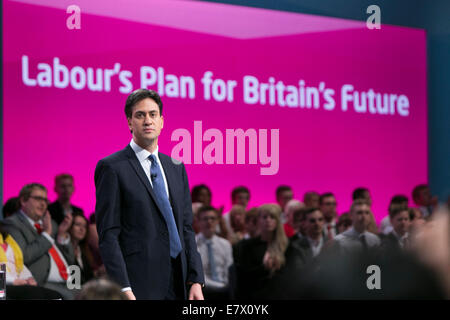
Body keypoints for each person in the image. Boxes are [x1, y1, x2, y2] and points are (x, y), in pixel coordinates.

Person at [94, 89, 204, 300]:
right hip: (139, 283)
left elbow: (186, 228)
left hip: (179, 280)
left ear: (162, 121)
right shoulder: (113, 167)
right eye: (140, 115)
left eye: (153, 114)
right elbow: (109, 235)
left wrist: (196, 278)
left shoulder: (176, 166)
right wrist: (123, 288)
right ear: (129, 122)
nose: (147, 120)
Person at [2, 183, 76, 299]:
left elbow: (71, 259)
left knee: (99, 292)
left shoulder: (52, 224)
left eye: (45, 200)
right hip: (41, 282)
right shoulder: (12, 223)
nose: (43, 204)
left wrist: (62, 235)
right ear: (23, 201)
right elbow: (23, 256)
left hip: (71, 280)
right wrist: (46, 235)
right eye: (38, 198)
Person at [233, 204, 289, 299]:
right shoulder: (247, 246)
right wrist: (264, 268)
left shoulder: (287, 245)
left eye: (272, 217)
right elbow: (243, 276)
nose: (268, 220)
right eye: (264, 217)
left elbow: (292, 275)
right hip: (256, 293)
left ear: (278, 221)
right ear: (258, 221)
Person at [0, 222, 63, 300]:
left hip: (17, 282)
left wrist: (29, 278)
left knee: (56, 296)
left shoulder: (8, 240)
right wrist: (13, 281)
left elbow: (19, 265)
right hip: (3, 285)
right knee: (34, 294)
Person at [195, 206, 233, 300]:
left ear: (217, 221)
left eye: (212, 218)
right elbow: (198, 275)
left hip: (225, 291)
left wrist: (226, 286)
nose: (209, 222)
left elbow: (229, 270)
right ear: (198, 222)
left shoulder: (225, 244)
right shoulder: (193, 244)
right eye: (205, 219)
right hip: (203, 291)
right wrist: (219, 286)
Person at [69, 212, 95, 284]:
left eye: (84, 226)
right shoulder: (64, 250)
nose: (82, 229)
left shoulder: (84, 251)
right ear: (69, 227)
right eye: (78, 225)